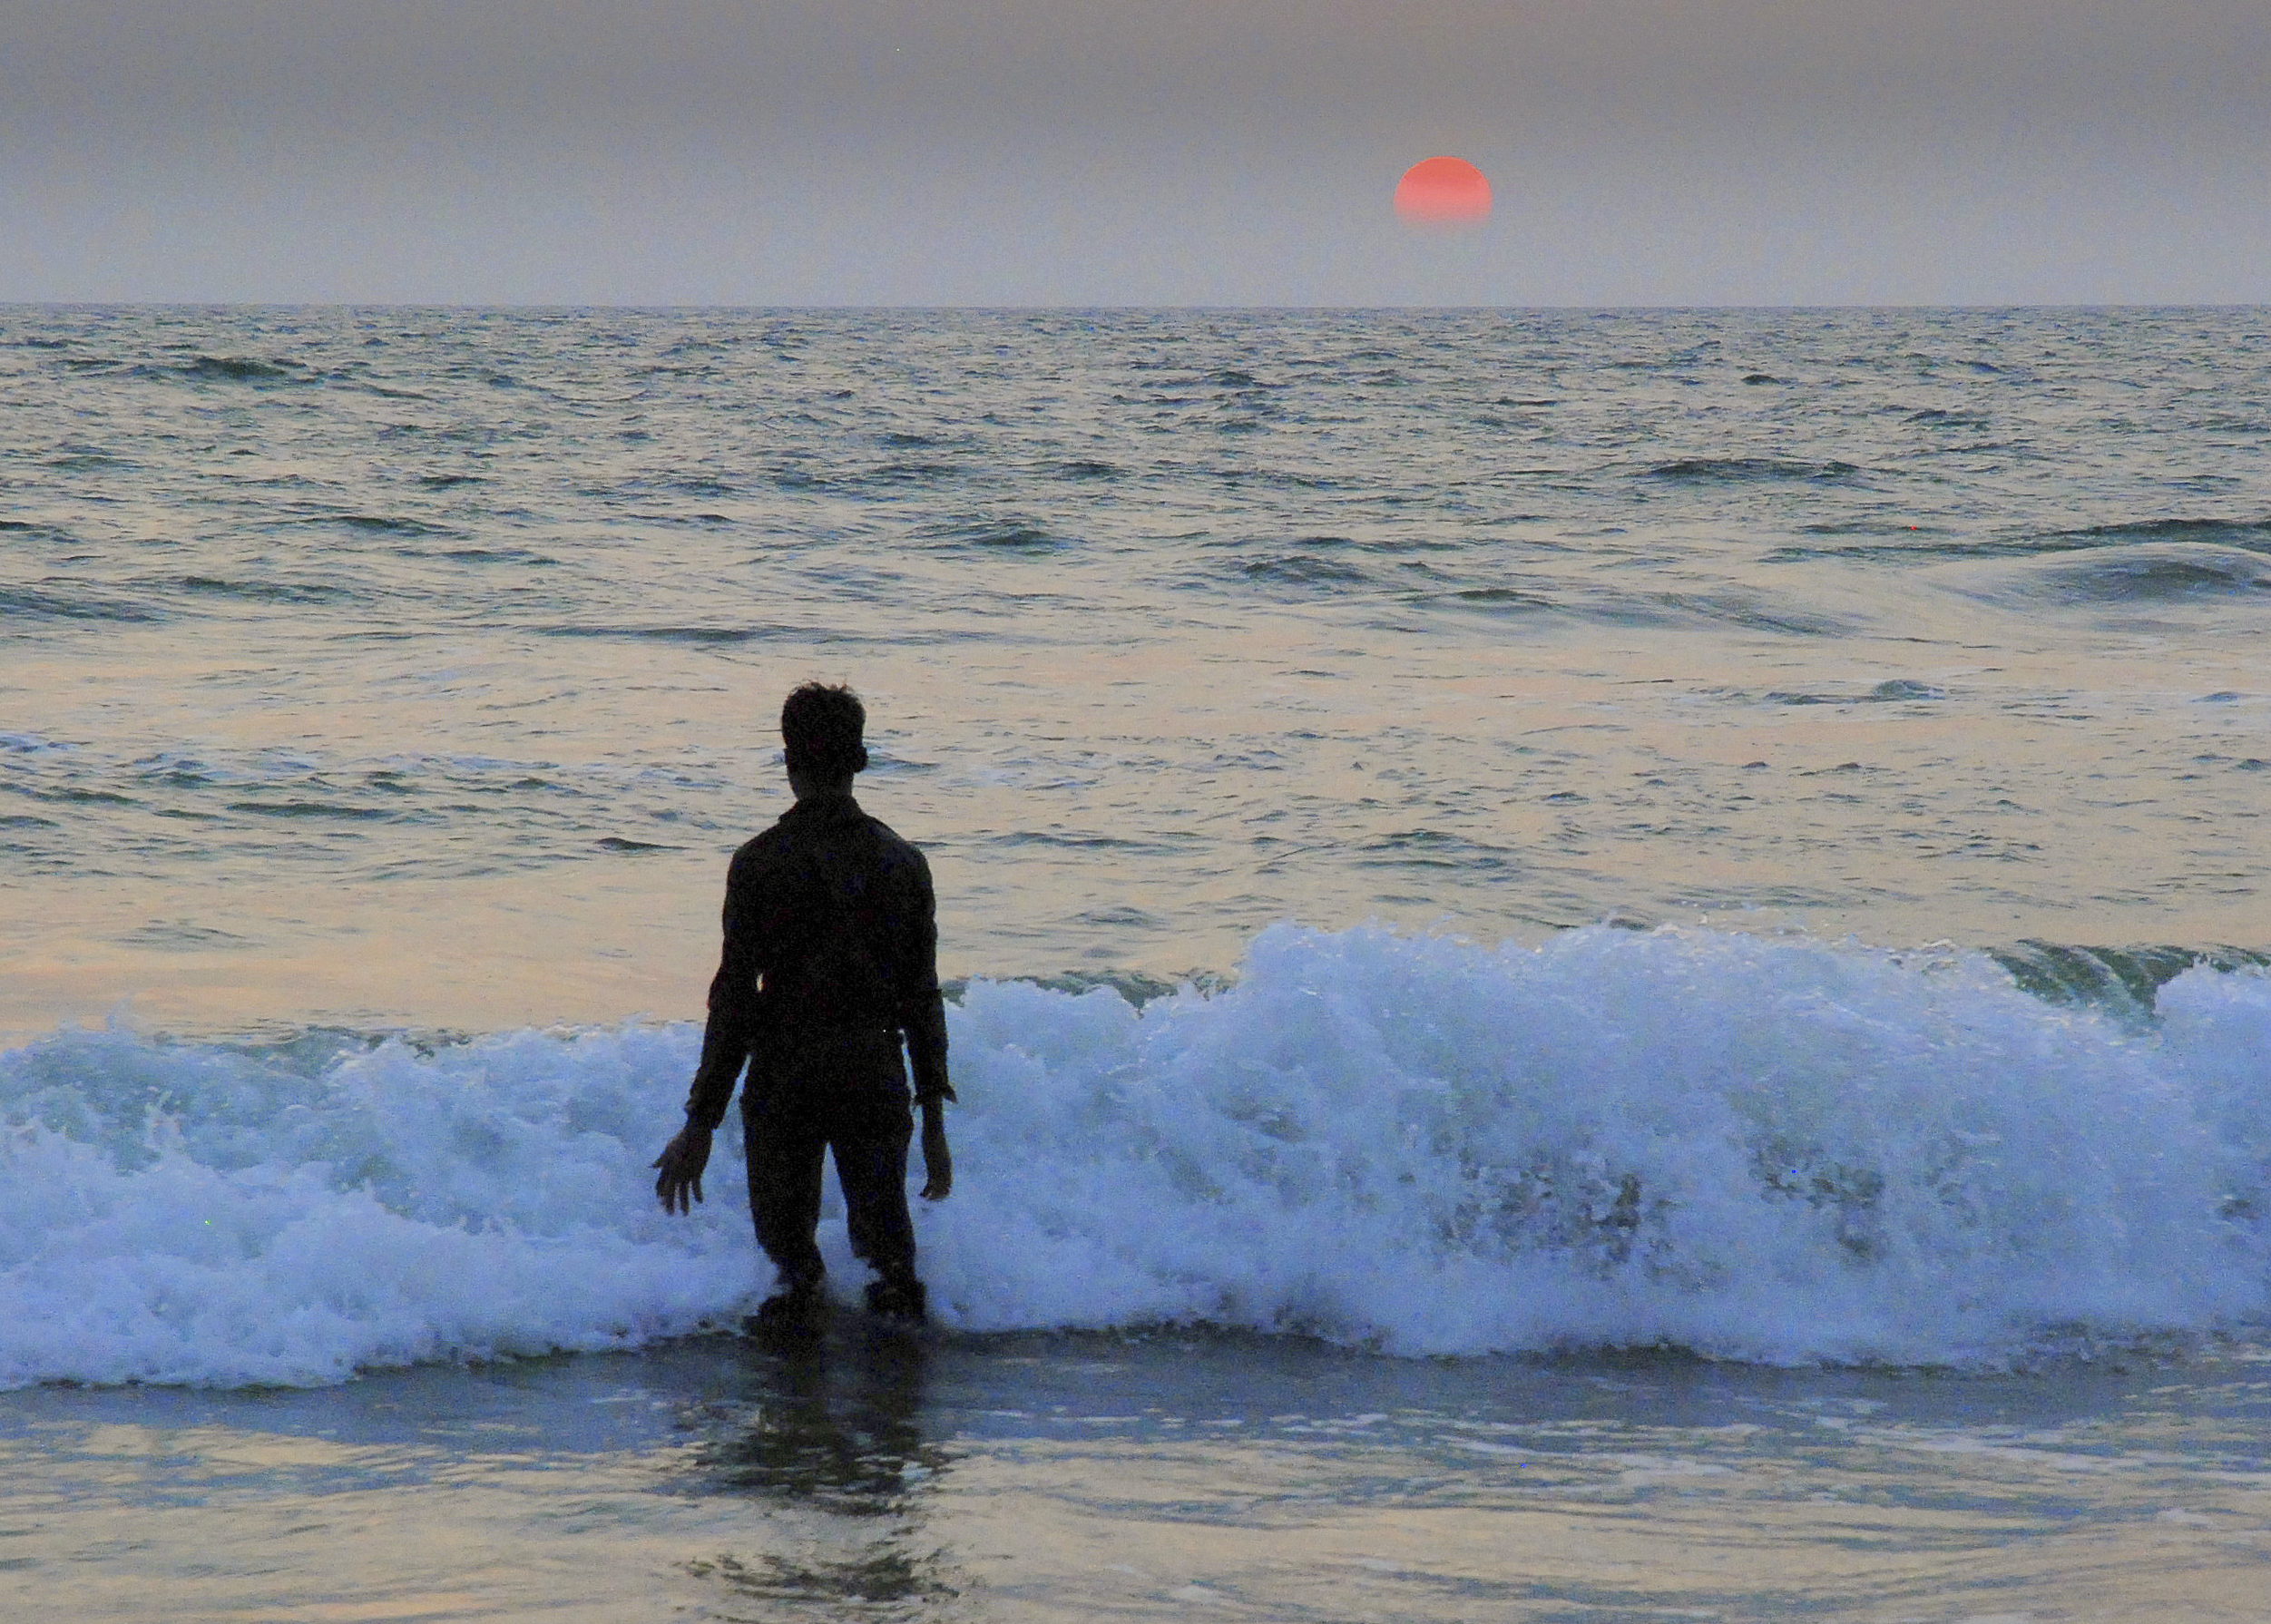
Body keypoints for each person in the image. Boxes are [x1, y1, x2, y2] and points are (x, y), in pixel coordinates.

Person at [652, 682, 953, 1326]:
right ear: (861, 759)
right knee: (890, 1265)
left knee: (788, 1271)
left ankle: (793, 1381)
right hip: (873, 1069)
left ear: (788, 759)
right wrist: (931, 1114)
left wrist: (700, 1122)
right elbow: (922, 996)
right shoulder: (903, 863)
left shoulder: (759, 863)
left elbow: (734, 1000)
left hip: (785, 1074)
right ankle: (900, 1381)